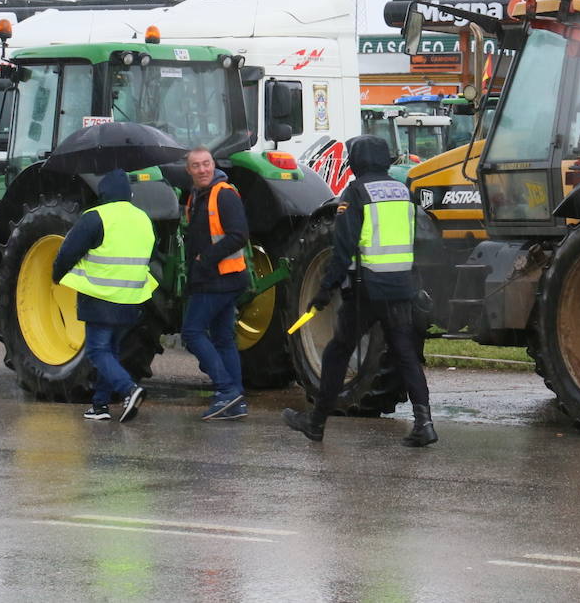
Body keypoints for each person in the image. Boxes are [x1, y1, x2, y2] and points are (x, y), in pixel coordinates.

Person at [282, 135, 435, 447]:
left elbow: (343, 248)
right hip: (400, 287)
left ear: (356, 162)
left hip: (367, 290)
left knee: (338, 352)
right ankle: (424, 423)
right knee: (406, 354)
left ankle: (316, 422)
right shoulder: (402, 191)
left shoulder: (355, 193)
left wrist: (326, 290)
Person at [52, 168, 158, 424]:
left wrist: (57, 274)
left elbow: (69, 251)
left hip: (101, 298)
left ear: (103, 192)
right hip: (132, 298)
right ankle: (99, 405)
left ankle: (129, 390)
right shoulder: (144, 218)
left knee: (98, 351)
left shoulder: (96, 216)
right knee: (111, 349)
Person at [182, 147, 251, 421]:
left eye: (206, 164)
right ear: (189, 170)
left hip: (220, 278)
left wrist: (204, 259)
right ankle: (235, 401)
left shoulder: (223, 194)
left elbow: (238, 235)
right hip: (216, 278)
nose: (202, 170)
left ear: (214, 165)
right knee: (223, 338)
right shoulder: (197, 197)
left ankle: (226, 390)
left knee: (191, 332)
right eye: (196, 166)